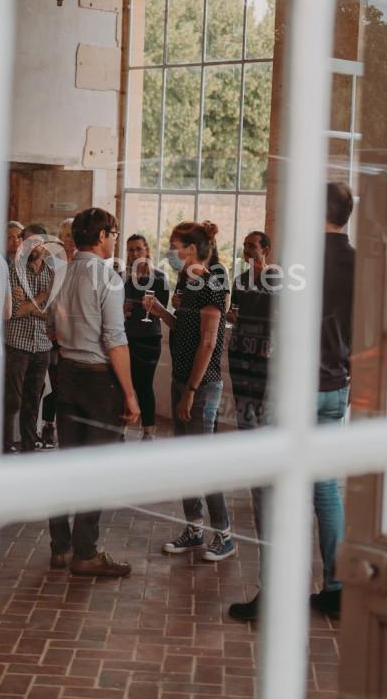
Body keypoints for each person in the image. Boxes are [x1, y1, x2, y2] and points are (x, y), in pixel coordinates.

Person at [229, 182, 355, 622]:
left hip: (294, 387)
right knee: (324, 485)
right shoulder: (360, 264)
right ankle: (337, 587)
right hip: (335, 385)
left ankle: (275, 594)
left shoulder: (300, 265)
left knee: (270, 487)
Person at [45, 207, 140, 577]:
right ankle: (85, 553)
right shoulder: (108, 277)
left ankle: (60, 546)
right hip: (99, 378)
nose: (115, 238)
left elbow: (52, 327)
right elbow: (115, 340)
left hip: (66, 371)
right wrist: (130, 394)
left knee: (67, 459)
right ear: (101, 236)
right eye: (113, 233)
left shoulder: (62, 272)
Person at [143, 220, 236, 563]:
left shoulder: (215, 277)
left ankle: (224, 535)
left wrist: (191, 391)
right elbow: (183, 325)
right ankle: (194, 529)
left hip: (202, 384)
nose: (171, 251)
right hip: (182, 379)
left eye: (176, 245)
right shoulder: (187, 276)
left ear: (194, 249)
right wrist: (161, 312)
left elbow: (209, 341)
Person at [226, 231, 280, 540]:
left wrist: (270, 342)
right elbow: (235, 312)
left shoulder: (276, 279)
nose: (247, 250)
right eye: (245, 246)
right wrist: (233, 314)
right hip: (240, 349)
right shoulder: (241, 279)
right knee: (242, 400)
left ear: (266, 250)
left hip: (264, 352)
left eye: (252, 246)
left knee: (262, 403)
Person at [3, 224, 54, 453]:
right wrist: (42, 297)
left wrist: (28, 305)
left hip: (42, 346)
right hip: (17, 344)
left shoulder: (52, 274)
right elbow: (13, 311)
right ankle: (3, 447)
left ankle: (28, 449)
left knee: (33, 402)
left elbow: (53, 314)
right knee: (12, 401)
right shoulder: (13, 271)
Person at [122, 234, 170, 440]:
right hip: (124, 337)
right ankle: (122, 429)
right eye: (131, 250)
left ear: (147, 250)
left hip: (149, 338)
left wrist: (152, 307)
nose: (134, 253)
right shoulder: (121, 277)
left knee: (143, 384)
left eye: (138, 249)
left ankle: (149, 430)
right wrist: (121, 308)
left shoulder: (159, 277)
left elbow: (164, 308)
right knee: (124, 384)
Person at [39, 218, 79, 448]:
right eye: (66, 236)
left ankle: (69, 428)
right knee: (52, 381)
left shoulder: (85, 265)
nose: (70, 240)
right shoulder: (52, 264)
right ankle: (47, 425)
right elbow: (46, 299)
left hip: (76, 334)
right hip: (53, 332)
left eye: (74, 236)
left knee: (69, 383)